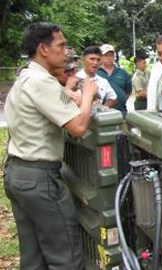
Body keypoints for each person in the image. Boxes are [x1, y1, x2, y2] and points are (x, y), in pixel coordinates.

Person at [3, 22, 98, 270]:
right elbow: (78, 126)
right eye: (62, 45)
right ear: (44, 49)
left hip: (18, 174)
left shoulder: (26, 76)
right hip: (40, 180)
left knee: (33, 257)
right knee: (65, 256)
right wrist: (88, 93)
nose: (66, 52)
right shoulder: (41, 82)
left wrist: (73, 95)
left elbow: (56, 103)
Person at [97, 43, 132, 112]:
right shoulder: (96, 73)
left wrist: (121, 99)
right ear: (101, 57)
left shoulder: (122, 73)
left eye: (110, 55)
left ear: (114, 56)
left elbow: (128, 92)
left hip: (121, 111)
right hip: (102, 112)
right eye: (105, 55)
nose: (108, 57)